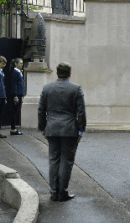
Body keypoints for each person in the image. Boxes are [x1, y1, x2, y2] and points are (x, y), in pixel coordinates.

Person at [38, 62, 86, 202]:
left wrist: (42, 128)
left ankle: (54, 192)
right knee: (67, 161)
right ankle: (62, 192)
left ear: (57, 73)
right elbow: (81, 112)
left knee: (54, 160)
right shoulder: (76, 88)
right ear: (70, 73)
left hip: (52, 128)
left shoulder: (47, 88)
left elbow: (41, 110)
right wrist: (81, 130)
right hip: (69, 129)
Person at [9, 58, 24, 135]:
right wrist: (15, 96)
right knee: (14, 111)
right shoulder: (15, 72)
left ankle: (14, 128)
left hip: (19, 94)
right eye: (20, 63)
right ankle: (13, 129)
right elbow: (14, 84)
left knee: (16, 111)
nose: (22, 65)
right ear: (16, 64)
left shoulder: (19, 72)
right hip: (16, 94)